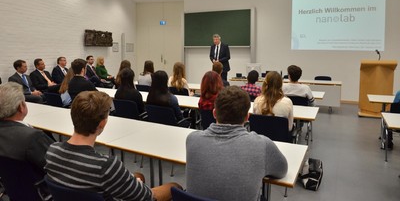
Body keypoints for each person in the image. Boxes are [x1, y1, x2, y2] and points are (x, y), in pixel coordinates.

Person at [45, 91, 181, 201]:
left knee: (138, 175)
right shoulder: (105, 166)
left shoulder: (52, 150)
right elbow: (147, 197)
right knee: (174, 187)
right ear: (102, 124)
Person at [186, 86, 288, 201]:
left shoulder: (192, 139)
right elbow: (282, 170)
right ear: (247, 117)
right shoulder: (262, 145)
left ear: (214, 113)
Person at [0, 82, 54, 171]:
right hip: (41, 182)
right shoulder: (33, 137)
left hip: (11, 182)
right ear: (21, 106)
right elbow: (55, 166)